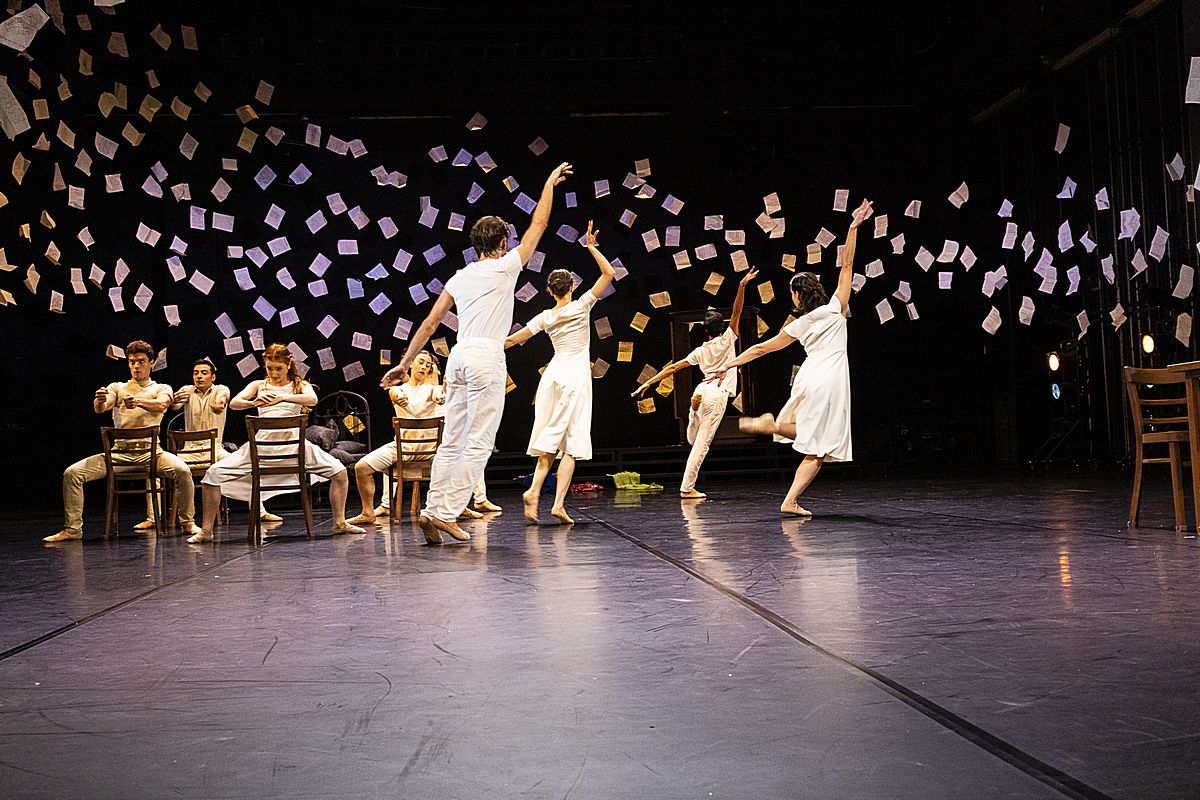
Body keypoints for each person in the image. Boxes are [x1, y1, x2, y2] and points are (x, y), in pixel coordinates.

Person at [382, 161, 573, 544]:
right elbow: (539, 225)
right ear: (502, 243)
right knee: (479, 441)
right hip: (486, 356)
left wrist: (404, 363)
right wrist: (549, 184)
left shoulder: (460, 276)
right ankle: (445, 513)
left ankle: (433, 509)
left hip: (458, 357)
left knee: (452, 438)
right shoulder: (505, 268)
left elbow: (430, 324)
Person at [713, 198, 873, 516]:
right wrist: (853, 227)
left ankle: (789, 496)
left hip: (807, 377)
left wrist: (728, 363)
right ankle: (771, 428)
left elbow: (762, 348)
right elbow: (847, 265)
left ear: (798, 295)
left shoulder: (799, 324)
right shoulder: (836, 308)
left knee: (814, 443)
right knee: (820, 444)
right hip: (829, 381)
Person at [190, 344, 365, 542]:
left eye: (278, 368)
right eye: (269, 368)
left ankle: (339, 523)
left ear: (288, 365)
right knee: (212, 475)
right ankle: (206, 531)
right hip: (262, 447)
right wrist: (254, 402)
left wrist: (282, 397)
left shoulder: (299, 385)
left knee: (340, 472)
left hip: (295, 446)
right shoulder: (259, 385)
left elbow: (312, 399)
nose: (273, 373)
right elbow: (235, 403)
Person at [505, 220, 615, 524]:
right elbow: (609, 274)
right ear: (572, 287)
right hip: (573, 378)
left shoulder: (545, 316)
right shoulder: (581, 306)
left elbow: (513, 340)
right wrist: (591, 247)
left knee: (554, 439)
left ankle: (553, 502)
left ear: (549, 291)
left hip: (552, 376)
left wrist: (484, 344)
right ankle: (542, 495)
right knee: (572, 443)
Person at [45, 340, 200, 542]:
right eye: (132, 362)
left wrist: (139, 402)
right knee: (72, 473)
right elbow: (102, 408)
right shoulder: (118, 387)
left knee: (183, 471)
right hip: (118, 455)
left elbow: (162, 404)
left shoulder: (162, 387)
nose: (136, 366)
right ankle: (73, 530)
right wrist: (100, 400)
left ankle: (188, 523)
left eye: (141, 361)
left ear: (151, 363)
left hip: (152, 454)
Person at [631, 267, 759, 499]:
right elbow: (737, 311)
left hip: (701, 390)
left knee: (692, 438)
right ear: (722, 328)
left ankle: (693, 413)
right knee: (701, 444)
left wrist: (647, 383)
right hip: (717, 394)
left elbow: (673, 368)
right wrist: (742, 285)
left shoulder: (700, 351)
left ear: (705, 330)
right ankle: (687, 488)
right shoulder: (728, 339)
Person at [350, 353, 495, 524]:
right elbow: (395, 394)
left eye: (428, 365)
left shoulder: (432, 389)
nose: (424, 367)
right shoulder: (399, 389)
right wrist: (400, 398)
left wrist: (441, 396)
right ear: (410, 364)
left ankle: (460, 505)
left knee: (465, 456)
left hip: (431, 451)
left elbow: (438, 394)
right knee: (361, 468)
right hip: (403, 448)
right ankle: (368, 512)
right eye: (421, 362)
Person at [156, 358, 278, 527]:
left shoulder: (220, 389)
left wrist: (220, 403)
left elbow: (223, 397)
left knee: (247, 468)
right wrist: (175, 401)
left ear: (212, 377)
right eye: (196, 373)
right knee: (156, 469)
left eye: (204, 373)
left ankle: (259, 511)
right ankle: (154, 517)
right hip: (189, 452)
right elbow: (176, 405)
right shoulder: (187, 390)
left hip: (216, 450)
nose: (199, 376)